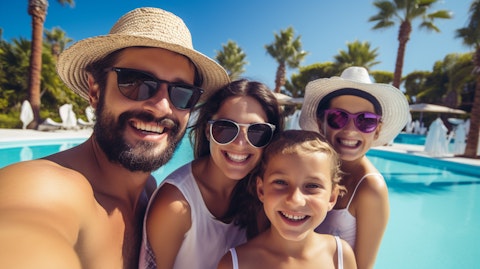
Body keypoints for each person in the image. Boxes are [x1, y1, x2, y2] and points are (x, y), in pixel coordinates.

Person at [0, 7, 230, 269]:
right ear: (95, 91)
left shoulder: (150, 193)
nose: (162, 107)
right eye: (135, 82)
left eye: (182, 93)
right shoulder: (44, 189)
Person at [139, 79, 283, 269]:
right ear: (208, 131)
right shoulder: (175, 205)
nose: (240, 143)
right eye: (226, 128)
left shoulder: (260, 194)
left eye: (257, 132)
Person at [298, 66, 410, 269]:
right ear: (320, 121)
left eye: (365, 121)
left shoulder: (370, 188)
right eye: (338, 117)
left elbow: (363, 266)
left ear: (377, 131)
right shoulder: (308, 169)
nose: (350, 130)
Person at [217, 130, 357, 269]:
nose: (295, 200)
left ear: (332, 198)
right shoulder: (236, 263)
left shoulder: (340, 256)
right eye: (281, 182)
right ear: (261, 190)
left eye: (312, 186)